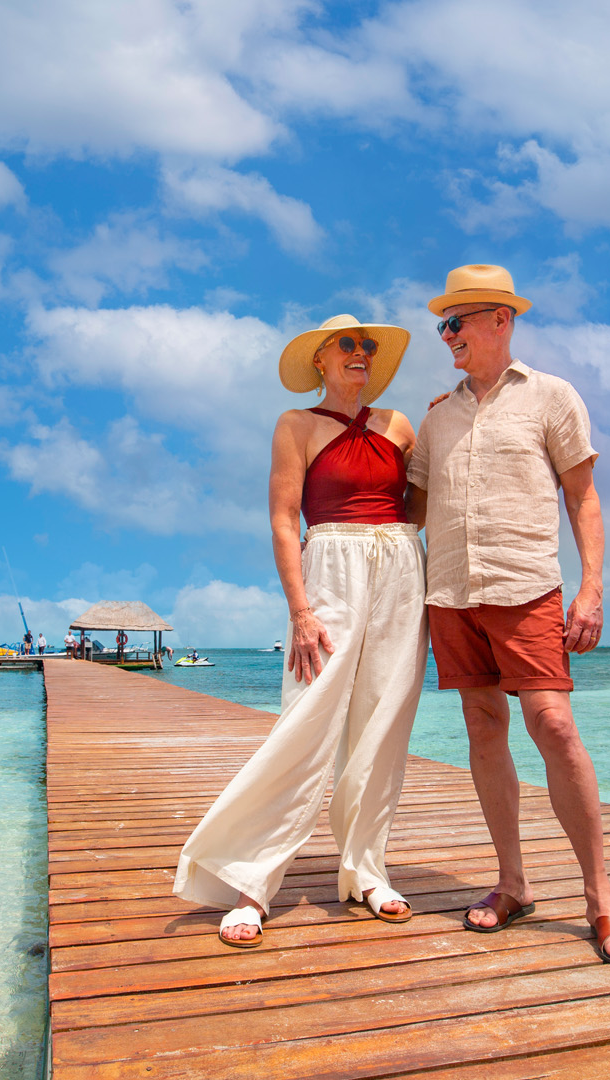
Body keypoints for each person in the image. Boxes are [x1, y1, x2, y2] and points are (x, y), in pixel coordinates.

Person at [407, 265, 610, 965]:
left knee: (553, 723)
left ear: (499, 321)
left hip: (526, 586)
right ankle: (512, 884)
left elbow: (584, 499)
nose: (446, 335)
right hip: (450, 592)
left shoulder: (552, 397)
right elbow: (412, 510)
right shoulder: (436, 415)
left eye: (457, 322)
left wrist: (592, 587)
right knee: (483, 725)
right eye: (442, 325)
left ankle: (601, 898)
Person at [175, 314, 427, 948]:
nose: (360, 353)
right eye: (348, 344)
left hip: (399, 566)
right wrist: (301, 610)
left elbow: (417, 505)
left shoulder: (399, 426)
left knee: (384, 722)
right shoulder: (296, 425)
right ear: (320, 358)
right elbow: (284, 521)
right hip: (330, 570)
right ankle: (251, 882)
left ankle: (367, 871)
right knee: (305, 719)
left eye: (368, 346)